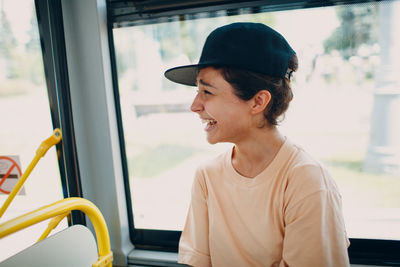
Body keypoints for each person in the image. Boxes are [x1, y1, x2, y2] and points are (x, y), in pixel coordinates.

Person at [164, 22, 350, 267]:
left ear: (257, 101)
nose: (195, 105)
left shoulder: (306, 181)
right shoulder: (207, 177)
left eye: (207, 92)